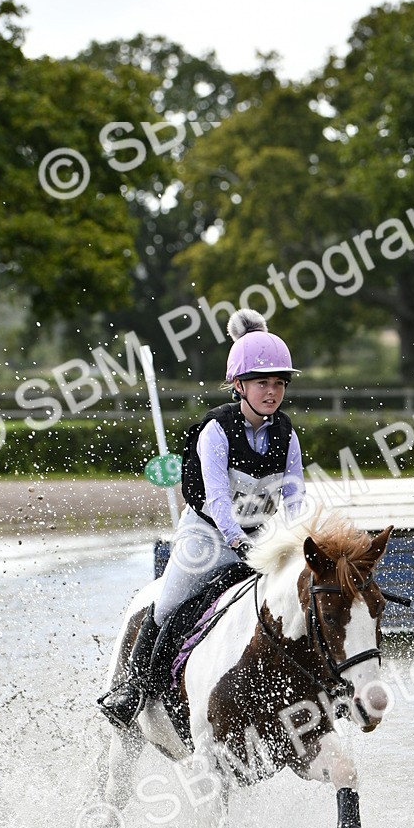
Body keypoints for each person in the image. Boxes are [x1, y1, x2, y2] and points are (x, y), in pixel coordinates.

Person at [99, 308, 306, 729]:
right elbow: (215, 499)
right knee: (168, 606)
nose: (272, 392)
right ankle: (133, 690)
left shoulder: (286, 432)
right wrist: (237, 541)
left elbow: (295, 497)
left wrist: (300, 542)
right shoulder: (216, 430)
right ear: (239, 386)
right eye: (262, 383)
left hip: (261, 537)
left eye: (278, 384)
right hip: (207, 538)